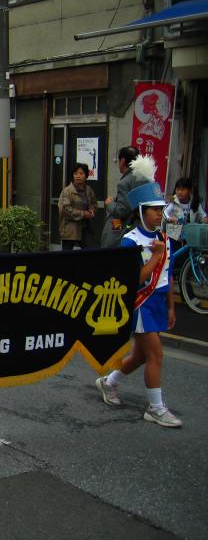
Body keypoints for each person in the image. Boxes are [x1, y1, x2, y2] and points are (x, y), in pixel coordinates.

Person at [96, 156, 180, 427]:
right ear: (141, 211)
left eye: (160, 209)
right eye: (154, 209)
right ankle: (155, 408)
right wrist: (154, 257)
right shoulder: (130, 241)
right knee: (156, 355)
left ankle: (108, 383)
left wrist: (170, 306)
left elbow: (166, 276)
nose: (159, 213)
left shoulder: (164, 239)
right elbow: (134, 280)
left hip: (158, 303)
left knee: (143, 355)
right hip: (140, 304)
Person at [101, 146, 142, 248]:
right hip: (139, 227)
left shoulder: (124, 182)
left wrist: (110, 203)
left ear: (122, 161)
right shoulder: (142, 177)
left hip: (124, 227)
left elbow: (121, 211)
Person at [58, 163, 97, 250]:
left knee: (91, 250)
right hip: (70, 229)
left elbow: (94, 203)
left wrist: (92, 210)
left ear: (86, 176)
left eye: (81, 173)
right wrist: (83, 214)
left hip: (85, 227)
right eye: (75, 174)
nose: (78, 176)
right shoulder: (67, 191)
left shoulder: (89, 190)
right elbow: (65, 209)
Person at [164, 177, 208, 242]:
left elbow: (203, 217)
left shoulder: (195, 202)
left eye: (183, 190)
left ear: (189, 191)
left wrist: (204, 220)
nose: (179, 192)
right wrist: (169, 218)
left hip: (189, 238)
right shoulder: (172, 199)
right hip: (172, 238)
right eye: (177, 189)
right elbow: (164, 212)